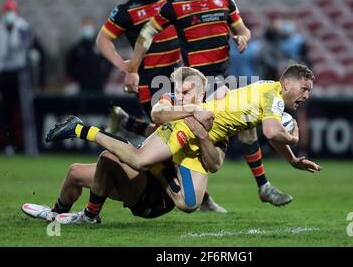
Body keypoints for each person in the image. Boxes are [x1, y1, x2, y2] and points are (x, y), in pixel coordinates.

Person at [45, 64, 322, 224]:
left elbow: (269, 134)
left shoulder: (268, 92)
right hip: (186, 126)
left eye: (309, 90)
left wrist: (292, 159)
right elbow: (273, 132)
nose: (306, 95)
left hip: (201, 135)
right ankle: (80, 128)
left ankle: (153, 163)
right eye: (304, 88)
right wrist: (294, 138)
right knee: (139, 160)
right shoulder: (272, 96)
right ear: (286, 83)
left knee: (189, 203)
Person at [120, 0, 290, 207]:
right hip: (194, 84)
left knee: (244, 125)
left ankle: (261, 186)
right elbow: (147, 33)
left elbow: (242, 29)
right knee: (185, 134)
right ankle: (198, 192)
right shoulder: (176, 4)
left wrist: (242, 36)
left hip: (222, 81)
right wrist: (133, 67)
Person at [22, 67, 227, 223]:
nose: (180, 96)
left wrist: (202, 134)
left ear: (201, 95)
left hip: (158, 196)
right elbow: (157, 114)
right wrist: (190, 109)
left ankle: (90, 216)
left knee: (109, 157)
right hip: (141, 175)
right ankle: (55, 214)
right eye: (178, 91)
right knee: (75, 172)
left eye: (187, 92)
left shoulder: (215, 121)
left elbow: (215, 164)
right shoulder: (172, 103)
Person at [96, 0, 181, 116]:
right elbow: (102, 40)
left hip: (179, 76)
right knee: (166, 130)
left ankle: (127, 122)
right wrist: (121, 65)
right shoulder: (126, 11)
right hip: (150, 82)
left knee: (179, 130)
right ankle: (128, 124)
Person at [0, 0, 35, 155]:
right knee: (4, 112)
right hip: (3, 73)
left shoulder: (22, 26)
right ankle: (7, 145)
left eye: (11, 11)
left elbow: (27, 45)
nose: (9, 14)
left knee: (23, 111)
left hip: (19, 72)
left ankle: (25, 145)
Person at [263, 14, 311, 156]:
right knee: (278, 117)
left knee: (300, 117)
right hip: (281, 86)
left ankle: (302, 149)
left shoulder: (298, 42)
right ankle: (281, 149)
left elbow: (307, 63)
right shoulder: (277, 42)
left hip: (296, 85)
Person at [65, 16, 112, 93]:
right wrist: (78, 77)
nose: (87, 29)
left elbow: (110, 61)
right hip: (83, 86)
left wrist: (104, 75)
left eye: (89, 25)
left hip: (99, 85)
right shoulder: (77, 48)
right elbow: (69, 65)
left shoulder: (100, 46)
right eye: (85, 26)